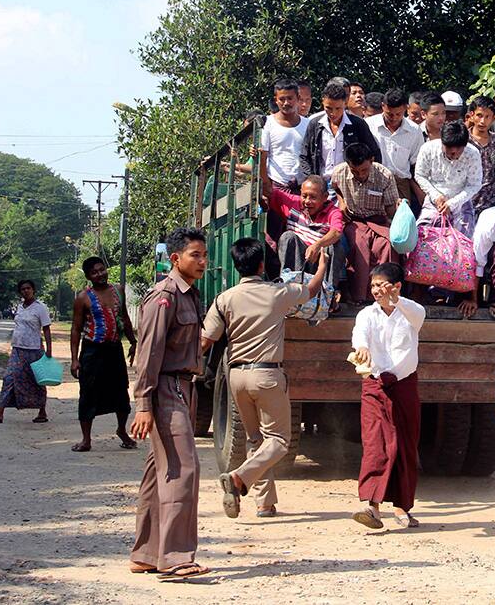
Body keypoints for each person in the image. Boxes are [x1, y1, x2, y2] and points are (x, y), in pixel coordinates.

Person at [203, 238, 329, 519]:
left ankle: (264, 503)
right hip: (267, 375)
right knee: (280, 441)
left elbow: (206, 339)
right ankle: (238, 477)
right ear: (262, 264)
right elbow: (310, 291)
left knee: (256, 439)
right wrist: (322, 267)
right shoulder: (277, 293)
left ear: (236, 266)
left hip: (236, 376)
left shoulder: (224, 299)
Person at [128, 228, 210, 579]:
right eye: (196, 255)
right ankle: (176, 557)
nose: (203, 261)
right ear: (175, 259)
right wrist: (143, 403)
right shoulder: (164, 296)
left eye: (204, 255)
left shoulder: (189, 294)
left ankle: (146, 553)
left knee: (156, 473)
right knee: (182, 471)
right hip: (165, 389)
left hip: (181, 387)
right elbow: (148, 354)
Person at [350, 263, 426, 529]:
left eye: (381, 285)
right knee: (375, 443)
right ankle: (371, 506)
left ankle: (402, 507)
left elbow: (416, 313)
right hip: (374, 385)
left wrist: (397, 299)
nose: (376, 291)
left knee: (404, 445)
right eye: (373, 286)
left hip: (404, 385)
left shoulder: (412, 313)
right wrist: (361, 348)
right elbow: (360, 335)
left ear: (397, 287)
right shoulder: (366, 315)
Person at [69, 257, 137, 452]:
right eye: (94, 272)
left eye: (102, 269)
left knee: (121, 392)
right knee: (88, 393)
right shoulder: (83, 298)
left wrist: (133, 342)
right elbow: (75, 329)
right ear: (89, 276)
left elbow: (124, 317)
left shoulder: (118, 290)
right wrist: (74, 359)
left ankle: (122, 431)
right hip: (92, 351)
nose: (100, 274)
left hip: (114, 350)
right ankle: (86, 439)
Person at [332, 143, 402, 305]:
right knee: (359, 246)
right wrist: (341, 203)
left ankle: (385, 296)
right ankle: (359, 296)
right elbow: (335, 189)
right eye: (355, 171)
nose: (360, 175)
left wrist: (400, 209)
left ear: (372, 161)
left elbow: (391, 207)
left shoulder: (385, 175)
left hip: (379, 220)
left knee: (387, 246)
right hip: (353, 220)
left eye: (364, 170)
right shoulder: (339, 172)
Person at [262, 174, 344, 292]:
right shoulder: (293, 203)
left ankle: (328, 294)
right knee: (287, 237)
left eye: (313, 197)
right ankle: (290, 288)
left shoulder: (333, 212)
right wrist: (263, 159)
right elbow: (267, 189)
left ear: (325, 197)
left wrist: (317, 245)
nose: (307, 201)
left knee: (334, 247)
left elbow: (336, 232)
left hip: (318, 263)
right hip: (297, 260)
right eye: (304, 196)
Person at [299, 81, 380, 188]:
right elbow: (304, 156)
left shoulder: (357, 124)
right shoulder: (314, 124)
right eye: (328, 108)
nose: (333, 113)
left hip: (350, 186)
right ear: (322, 102)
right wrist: (313, 181)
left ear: (345, 103)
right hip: (321, 187)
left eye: (338, 108)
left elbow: (374, 154)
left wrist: (365, 180)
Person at [0, 280, 52, 424]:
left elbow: (46, 329)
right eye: (23, 289)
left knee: (38, 381)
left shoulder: (40, 308)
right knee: (9, 377)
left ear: (33, 290)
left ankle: (42, 412)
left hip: (34, 350)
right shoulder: (20, 307)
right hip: (18, 350)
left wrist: (49, 350)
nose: (26, 291)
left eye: (28, 288)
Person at [414, 120, 482, 237]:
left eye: (457, 152)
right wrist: (436, 196)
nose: (453, 154)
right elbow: (420, 175)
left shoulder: (473, 154)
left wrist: (453, 203)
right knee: (422, 234)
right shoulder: (427, 149)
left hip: (461, 201)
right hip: (434, 200)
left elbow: (474, 184)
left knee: (463, 239)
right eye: (449, 150)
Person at [366, 88, 425, 209]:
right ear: (383, 106)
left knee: (401, 222)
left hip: (401, 184)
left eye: (398, 114)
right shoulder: (368, 125)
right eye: (389, 114)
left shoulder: (414, 130)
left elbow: (416, 165)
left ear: (406, 108)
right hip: (372, 180)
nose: (393, 118)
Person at [259, 78, 309, 192]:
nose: (286, 103)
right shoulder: (267, 123)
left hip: (303, 187)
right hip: (277, 185)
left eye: (290, 98)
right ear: (276, 100)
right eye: (282, 99)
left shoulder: (308, 124)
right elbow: (263, 156)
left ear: (298, 98)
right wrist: (265, 183)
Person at [466, 96, 495, 216]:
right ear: (472, 115)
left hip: (490, 203)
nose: (483, 121)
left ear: (494, 117)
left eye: (487, 116)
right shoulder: (464, 140)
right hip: (466, 202)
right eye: (479, 115)